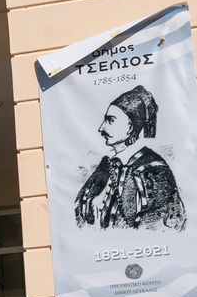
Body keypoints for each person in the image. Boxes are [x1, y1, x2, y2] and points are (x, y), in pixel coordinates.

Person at [74, 84, 186, 231]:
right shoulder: (107, 164)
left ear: (130, 127)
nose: (101, 128)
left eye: (110, 120)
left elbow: (163, 226)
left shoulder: (154, 169)